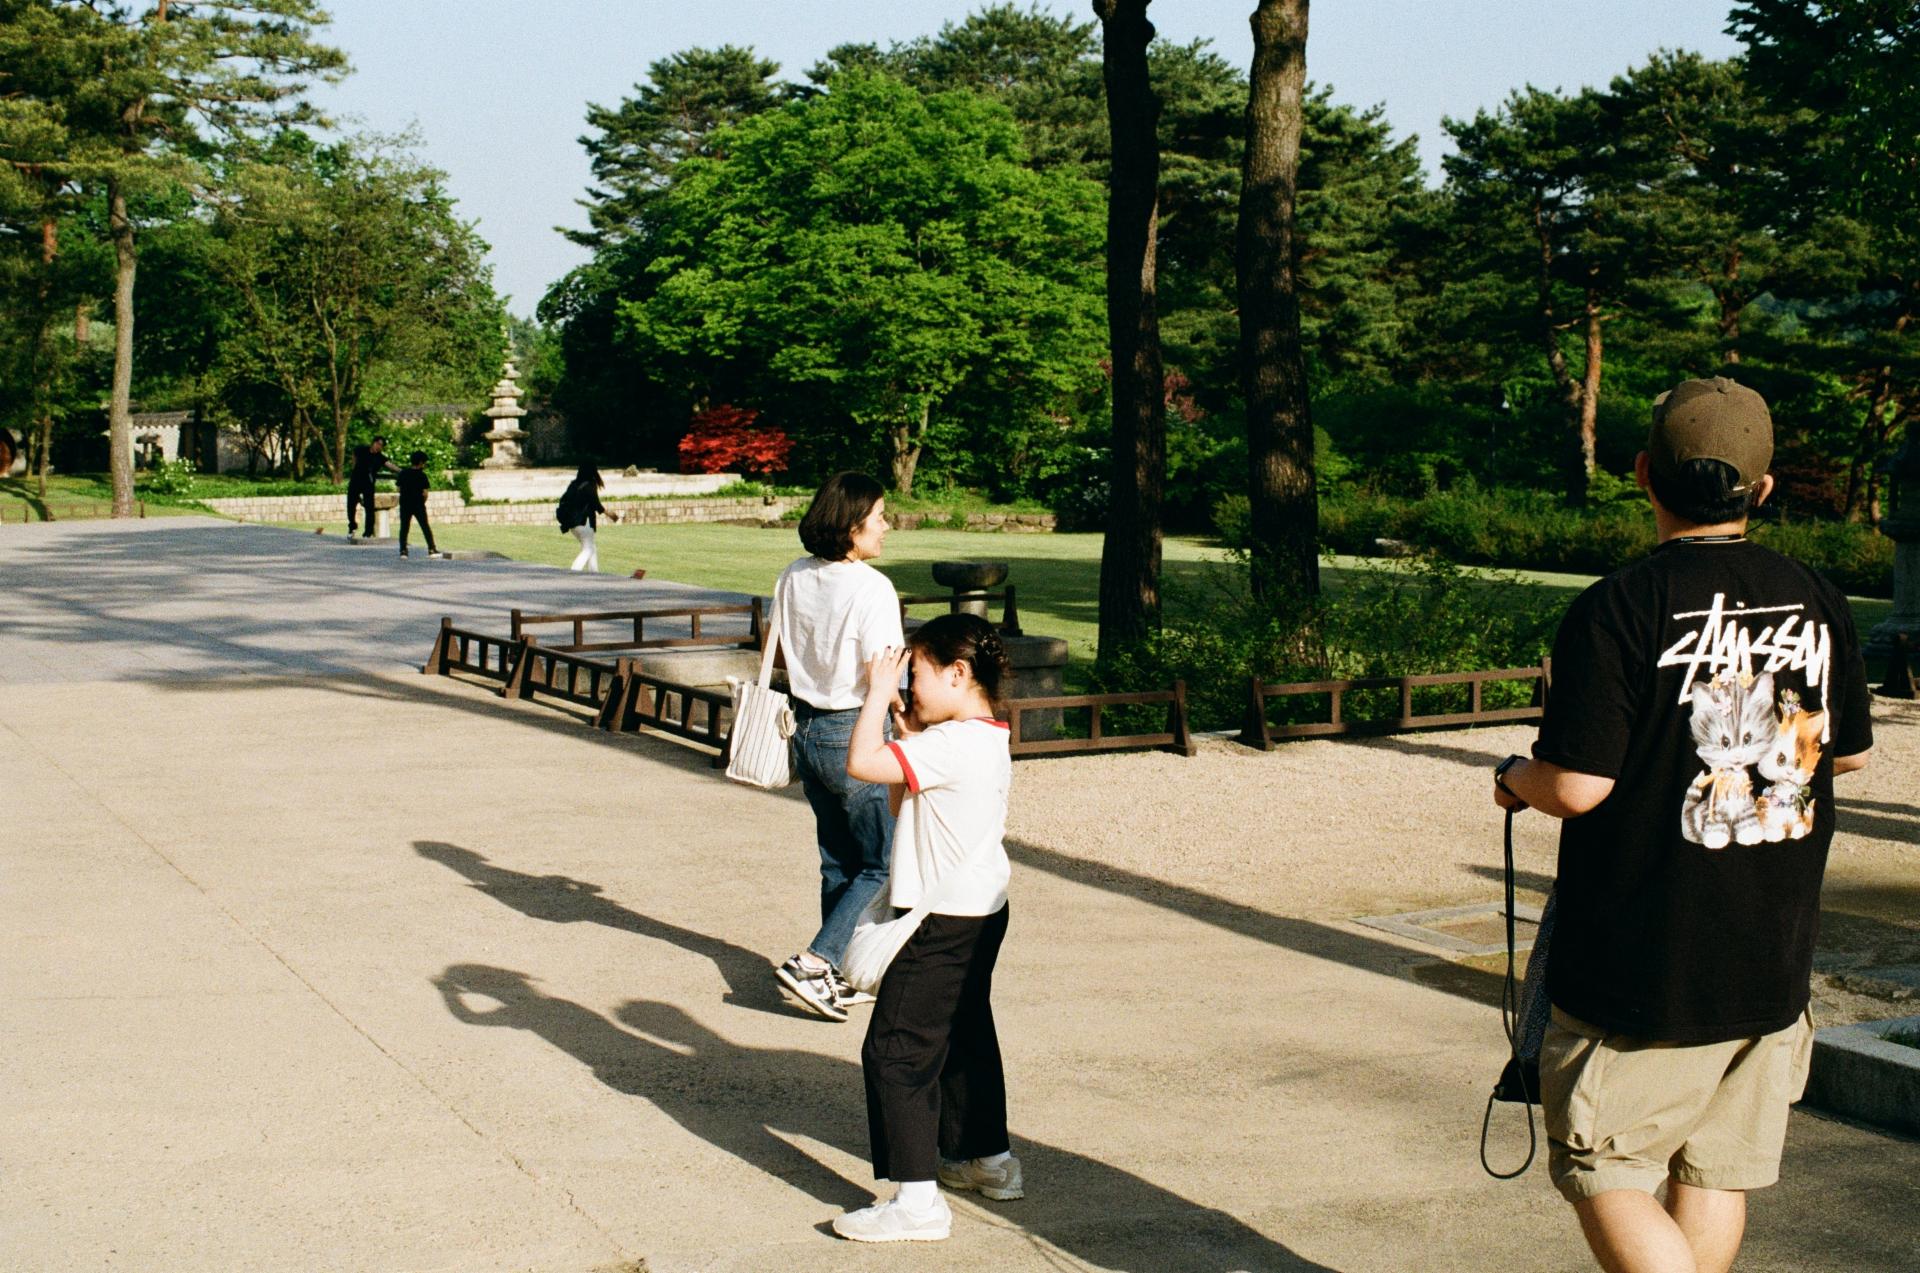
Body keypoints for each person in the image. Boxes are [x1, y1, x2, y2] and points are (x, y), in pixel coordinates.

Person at [1492, 377, 1873, 1273]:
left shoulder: (1617, 607)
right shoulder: (1816, 596)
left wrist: (1515, 777)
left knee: (1603, 1163)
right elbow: (1848, 754)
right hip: (1772, 952)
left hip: (1643, 961)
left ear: (1642, 475)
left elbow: (1580, 785)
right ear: (1763, 488)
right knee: (1714, 1170)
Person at [832, 614, 1017, 1243]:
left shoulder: (952, 744)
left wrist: (876, 696)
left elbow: (858, 762)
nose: (908, 688)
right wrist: (906, 726)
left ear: (958, 673)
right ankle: (987, 1159)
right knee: (964, 1035)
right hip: (981, 908)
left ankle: (916, 1203)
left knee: (897, 1051)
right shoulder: (985, 735)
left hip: (940, 921)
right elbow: (899, 798)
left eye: (916, 675)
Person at [771, 472, 905, 1022]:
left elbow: (776, 646)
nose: (886, 528)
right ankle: (816, 960)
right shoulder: (872, 588)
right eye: (879, 518)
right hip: (855, 727)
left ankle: (834, 972)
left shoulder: (794, 576)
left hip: (804, 729)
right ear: (851, 527)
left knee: (837, 862)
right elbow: (886, 675)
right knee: (881, 864)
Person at [558, 464, 619, 572]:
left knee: (591, 547)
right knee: (588, 548)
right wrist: (609, 514)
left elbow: (564, 499)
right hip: (584, 522)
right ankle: (574, 571)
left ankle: (594, 573)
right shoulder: (590, 484)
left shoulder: (574, 484)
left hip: (572, 523)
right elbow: (595, 503)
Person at [346, 436, 396, 542]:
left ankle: (368, 532)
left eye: (381, 445)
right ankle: (352, 526)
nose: (379, 447)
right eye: (378, 444)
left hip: (368, 483)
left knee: (369, 507)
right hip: (356, 480)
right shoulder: (361, 450)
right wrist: (354, 467)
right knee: (351, 505)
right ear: (373, 442)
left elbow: (390, 465)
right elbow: (354, 455)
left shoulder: (380, 457)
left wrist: (402, 471)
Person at [395, 451, 439, 558]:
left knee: (404, 527)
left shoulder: (403, 473)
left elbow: (398, 488)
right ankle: (431, 549)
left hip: (405, 503)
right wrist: (422, 501)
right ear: (420, 463)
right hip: (418, 504)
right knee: (425, 526)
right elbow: (425, 493)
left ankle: (403, 551)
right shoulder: (422, 475)